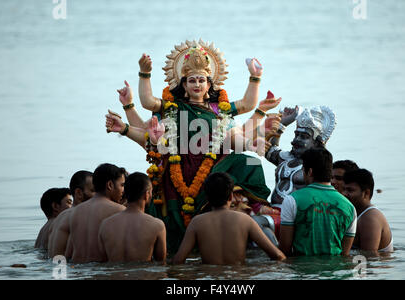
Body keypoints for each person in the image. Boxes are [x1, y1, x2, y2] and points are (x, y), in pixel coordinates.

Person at [106, 40, 282, 254]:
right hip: (179, 165)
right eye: (191, 81)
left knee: (249, 161)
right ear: (184, 84)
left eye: (201, 80)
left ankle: (256, 204)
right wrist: (145, 74)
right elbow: (148, 103)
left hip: (214, 164)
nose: (197, 84)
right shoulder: (172, 107)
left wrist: (255, 78)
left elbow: (246, 104)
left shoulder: (219, 109)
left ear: (209, 85)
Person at [253, 105, 337, 244]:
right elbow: (265, 146)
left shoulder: (317, 166)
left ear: (317, 143)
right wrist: (283, 123)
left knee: (254, 223)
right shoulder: (286, 158)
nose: (295, 140)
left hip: (294, 217)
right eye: (296, 135)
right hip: (273, 211)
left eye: (303, 137)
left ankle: (276, 256)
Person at [173, 172, 286, 265]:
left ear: (207, 198)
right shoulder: (245, 220)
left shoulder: (197, 222)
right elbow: (278, 256)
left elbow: (178, 261)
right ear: (231, 196)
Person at [279, 148, 357, 256]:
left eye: (303, 170)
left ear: (309, 172)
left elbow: (285, 250)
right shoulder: (349, 207)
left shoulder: (292, 200)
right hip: (336, 271)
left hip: (302, 270)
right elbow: (344, 254)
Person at [98, 172, 167, 262]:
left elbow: (103, 261)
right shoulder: (157, 225)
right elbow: (161, 262)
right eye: (151, 192)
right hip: (143, 275)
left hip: (114, 274)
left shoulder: (105, 224)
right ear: (146, 194)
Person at [66, 163, 126, 263]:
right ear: (110, 185)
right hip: (102, 272)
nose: (123, 190)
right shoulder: (119, 210)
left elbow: (68, 254)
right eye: (122, 185)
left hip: (77, 272)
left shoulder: (75, 211)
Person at [343, 169, 393, 254]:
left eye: (350, 190)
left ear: (366, 193)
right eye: (344, 189)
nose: (344, 194)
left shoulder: (370, 218)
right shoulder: (356, 212)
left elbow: (369, 258)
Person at [47, 171, 94, 258]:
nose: (97, 196)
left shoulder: (58, 218)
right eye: (93, 191)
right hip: (70, 269)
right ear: (79, 193)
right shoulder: (80, 216)